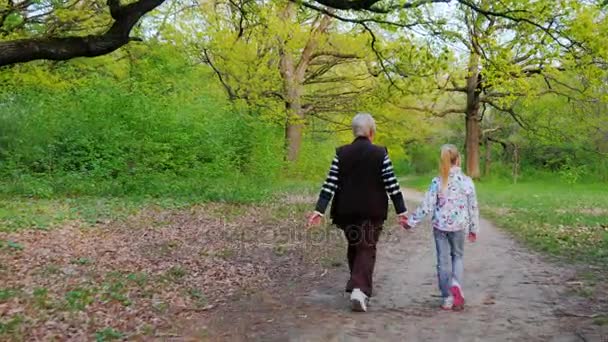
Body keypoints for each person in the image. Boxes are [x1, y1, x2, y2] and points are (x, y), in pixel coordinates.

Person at [307, 113, 409, 313]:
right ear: (371, 132)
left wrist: (319, 210)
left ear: (354, 132)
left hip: (346, 211)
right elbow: (392, 185)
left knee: (356, 246)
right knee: (366, 247)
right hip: (372, 210)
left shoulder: (341, 153)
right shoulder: (380, 154)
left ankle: (356, 285)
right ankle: (359, 290)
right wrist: (401, 210)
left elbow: (330, 183)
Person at [405, 144, 479, 311]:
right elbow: (473, 206)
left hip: (440, 227)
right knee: (457, 257)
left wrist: (411, 222)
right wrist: (473, 229)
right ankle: (456, 284)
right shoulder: (467, 182)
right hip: (459, 226)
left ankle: (447, 298)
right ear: (458, 159)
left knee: (442, 261)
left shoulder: (437, 181)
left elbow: (426, 206)